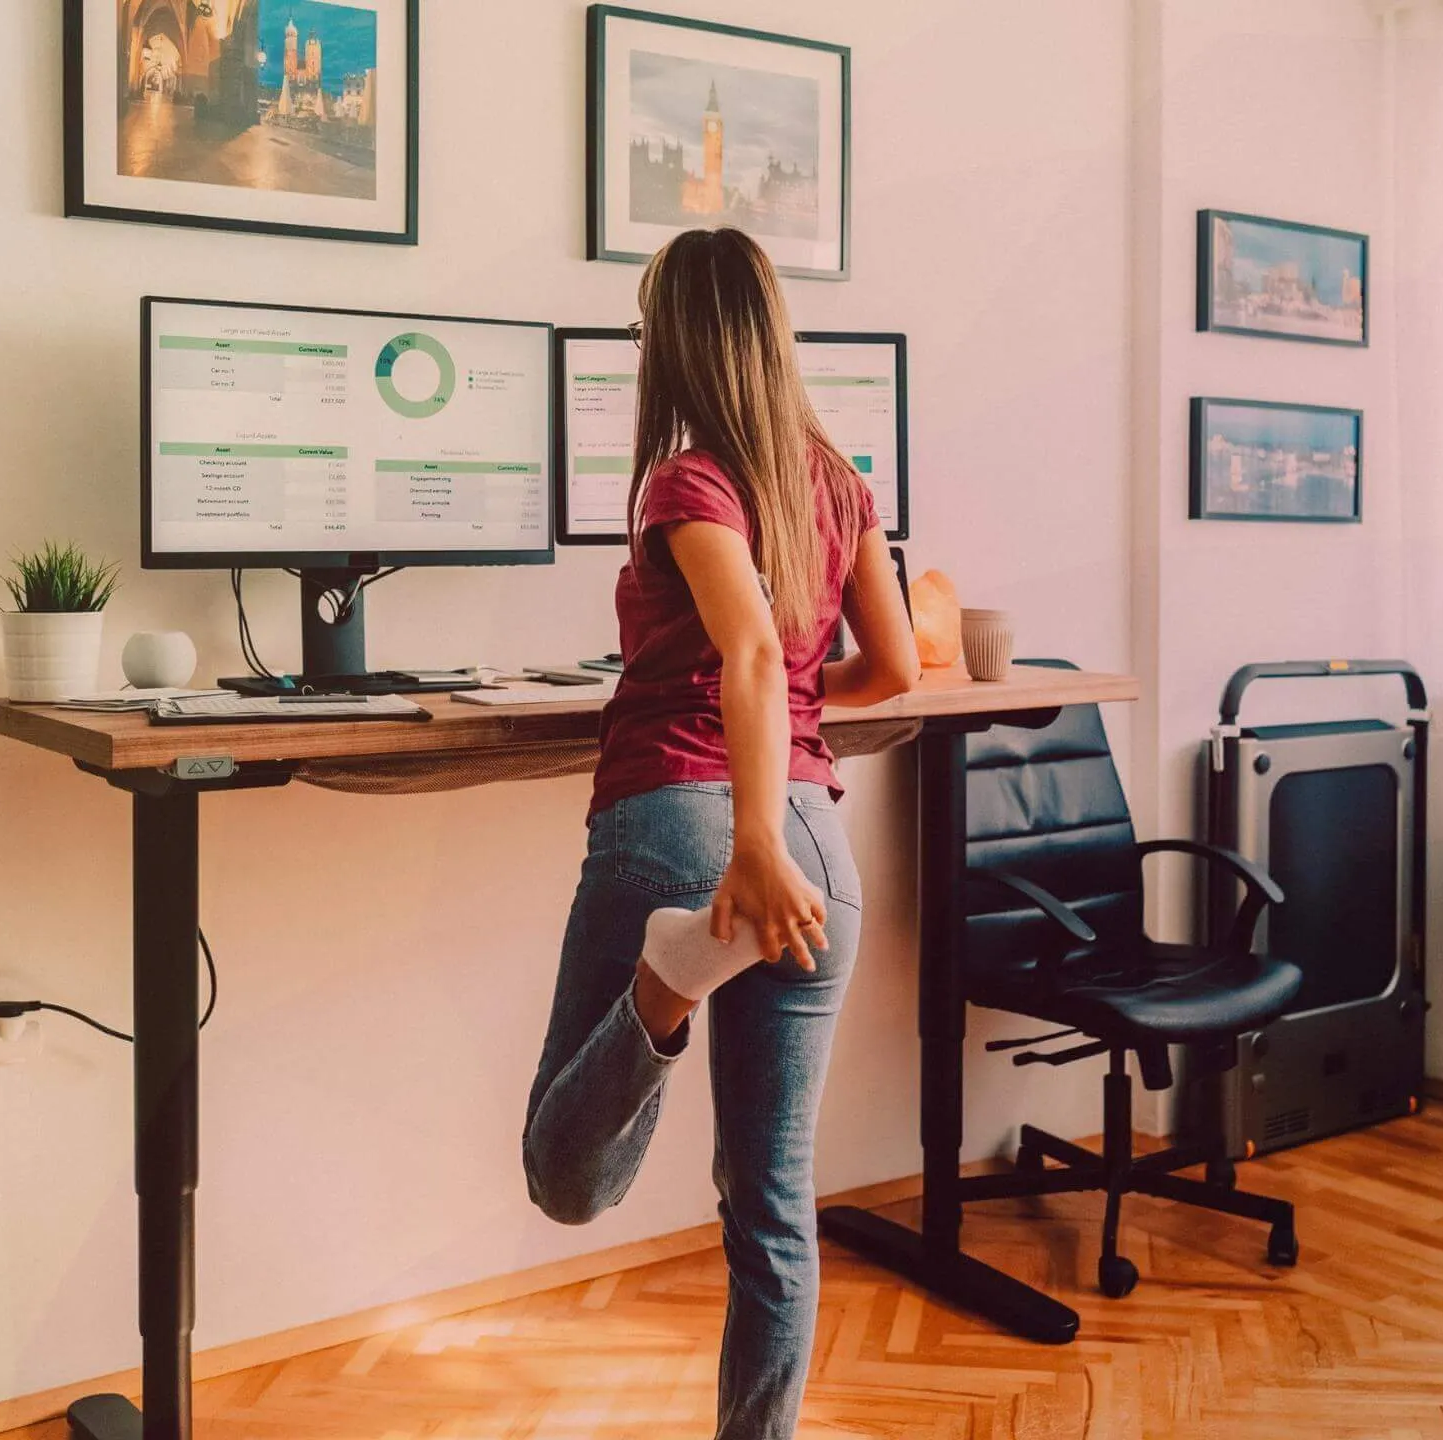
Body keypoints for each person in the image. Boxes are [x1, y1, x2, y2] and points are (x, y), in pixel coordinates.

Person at [520, 227, 922, 1438]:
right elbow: (891, 668)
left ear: (670, 345)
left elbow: (746, 648)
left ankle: (665, 982)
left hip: (689, 820)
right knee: (772, 1203)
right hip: (822, 847)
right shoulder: (839, 482)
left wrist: (749, 840)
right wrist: (802, 718)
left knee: (563, 1178)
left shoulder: (685, 481)